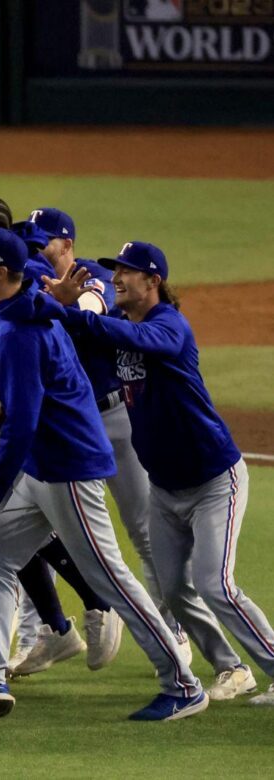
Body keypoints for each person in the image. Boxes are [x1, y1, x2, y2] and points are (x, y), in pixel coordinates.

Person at [0, 227, 205, 724]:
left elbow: (25, 419)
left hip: (68, 468)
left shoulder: (19, 332)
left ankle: (183, 684)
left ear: (3, 273)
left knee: (111, 579)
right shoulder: (14, 312)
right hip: (43, 468)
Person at [42, 241, 274, 706]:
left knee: (215, 584)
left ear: (153, 282)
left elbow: (142, 341)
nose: (117, 279)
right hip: (164, 490)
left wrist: (78, 315)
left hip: (214, 481)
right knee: (172, 589)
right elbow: (80, 346)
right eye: (115, 272)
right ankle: (232, 668)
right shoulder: (122, 328)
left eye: (127, 272)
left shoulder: (169, 325)